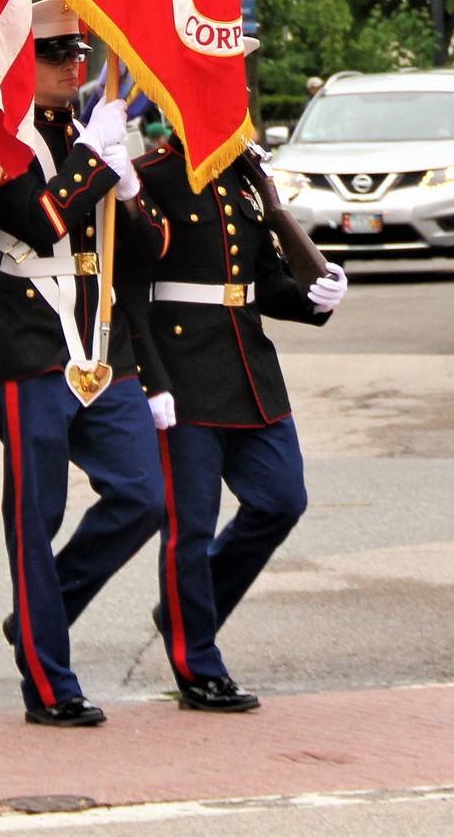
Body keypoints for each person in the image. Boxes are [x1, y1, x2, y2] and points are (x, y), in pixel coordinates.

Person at [0, 0, 179, 725]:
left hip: (102, 346)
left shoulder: (89, 133)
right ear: (20, 65)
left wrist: (126, 179)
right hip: (31, 351)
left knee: (143, 496)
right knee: (37, 516)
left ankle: (37, 613)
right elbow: (40, 217)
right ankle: (48, 681)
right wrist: (97, 159)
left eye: (77, 53)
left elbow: (150, 248)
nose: (72, 66)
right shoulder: (0, 139)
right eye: (53, 55)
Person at [132, 97, 344, 713]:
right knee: (189, 529)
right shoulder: (151, 178)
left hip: (248, 368)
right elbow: (131, 287)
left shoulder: (247, 180)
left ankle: (184, 612)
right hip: (183, 372)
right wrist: (149, 378)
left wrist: (317, 293)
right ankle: (197, 664)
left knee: (281, 500)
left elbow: (264, 282)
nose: (238, 113)